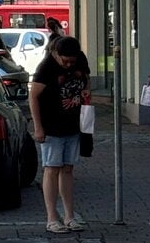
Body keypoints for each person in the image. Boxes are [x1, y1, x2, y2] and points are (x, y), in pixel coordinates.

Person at [29, 36, 91, 234]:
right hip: (51, 127)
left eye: (72, 61)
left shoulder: (79, 59)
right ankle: (51, 218)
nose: (69, 65)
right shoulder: (46, 67)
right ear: (56, 54)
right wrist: (38, 127)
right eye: (65, 61)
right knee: (51, 169)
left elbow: (86, 80)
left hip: (73, 125)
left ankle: (69, 216)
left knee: (68, 169)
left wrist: (86, 93)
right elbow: (33, 96)